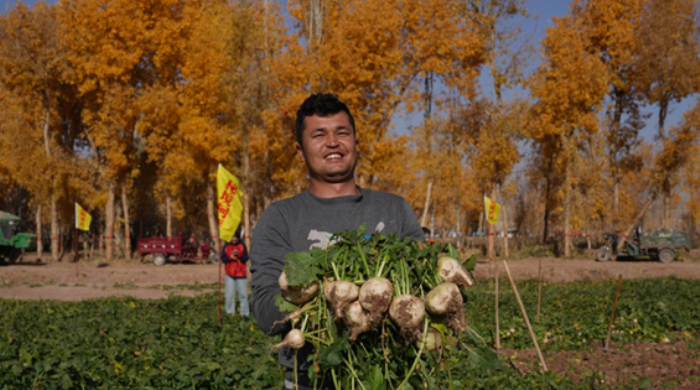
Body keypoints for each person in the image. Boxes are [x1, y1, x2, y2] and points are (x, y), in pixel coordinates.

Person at [250, 93, 425, 390]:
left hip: (394, 376)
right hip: (312, 381)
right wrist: (332, 299)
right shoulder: (280, 218)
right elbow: (266, 312)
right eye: (319, 134)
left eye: (342, 132)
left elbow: (424, 286)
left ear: (356, 144)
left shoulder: (395, 210)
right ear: (300, 151)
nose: (333, 142)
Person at [222, 234, 250, 317]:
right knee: (229, 295)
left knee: (243, 295)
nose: (233, 239)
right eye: (232, 237)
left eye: (235, 237)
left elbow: (246, 258)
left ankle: (244, 314)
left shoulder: (242, 245)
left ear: (238, 238)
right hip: (230, 274)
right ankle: (230, 313)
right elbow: (223, 259)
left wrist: (239, 255)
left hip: (241, 274)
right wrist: (230, 257)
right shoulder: (226, 246)